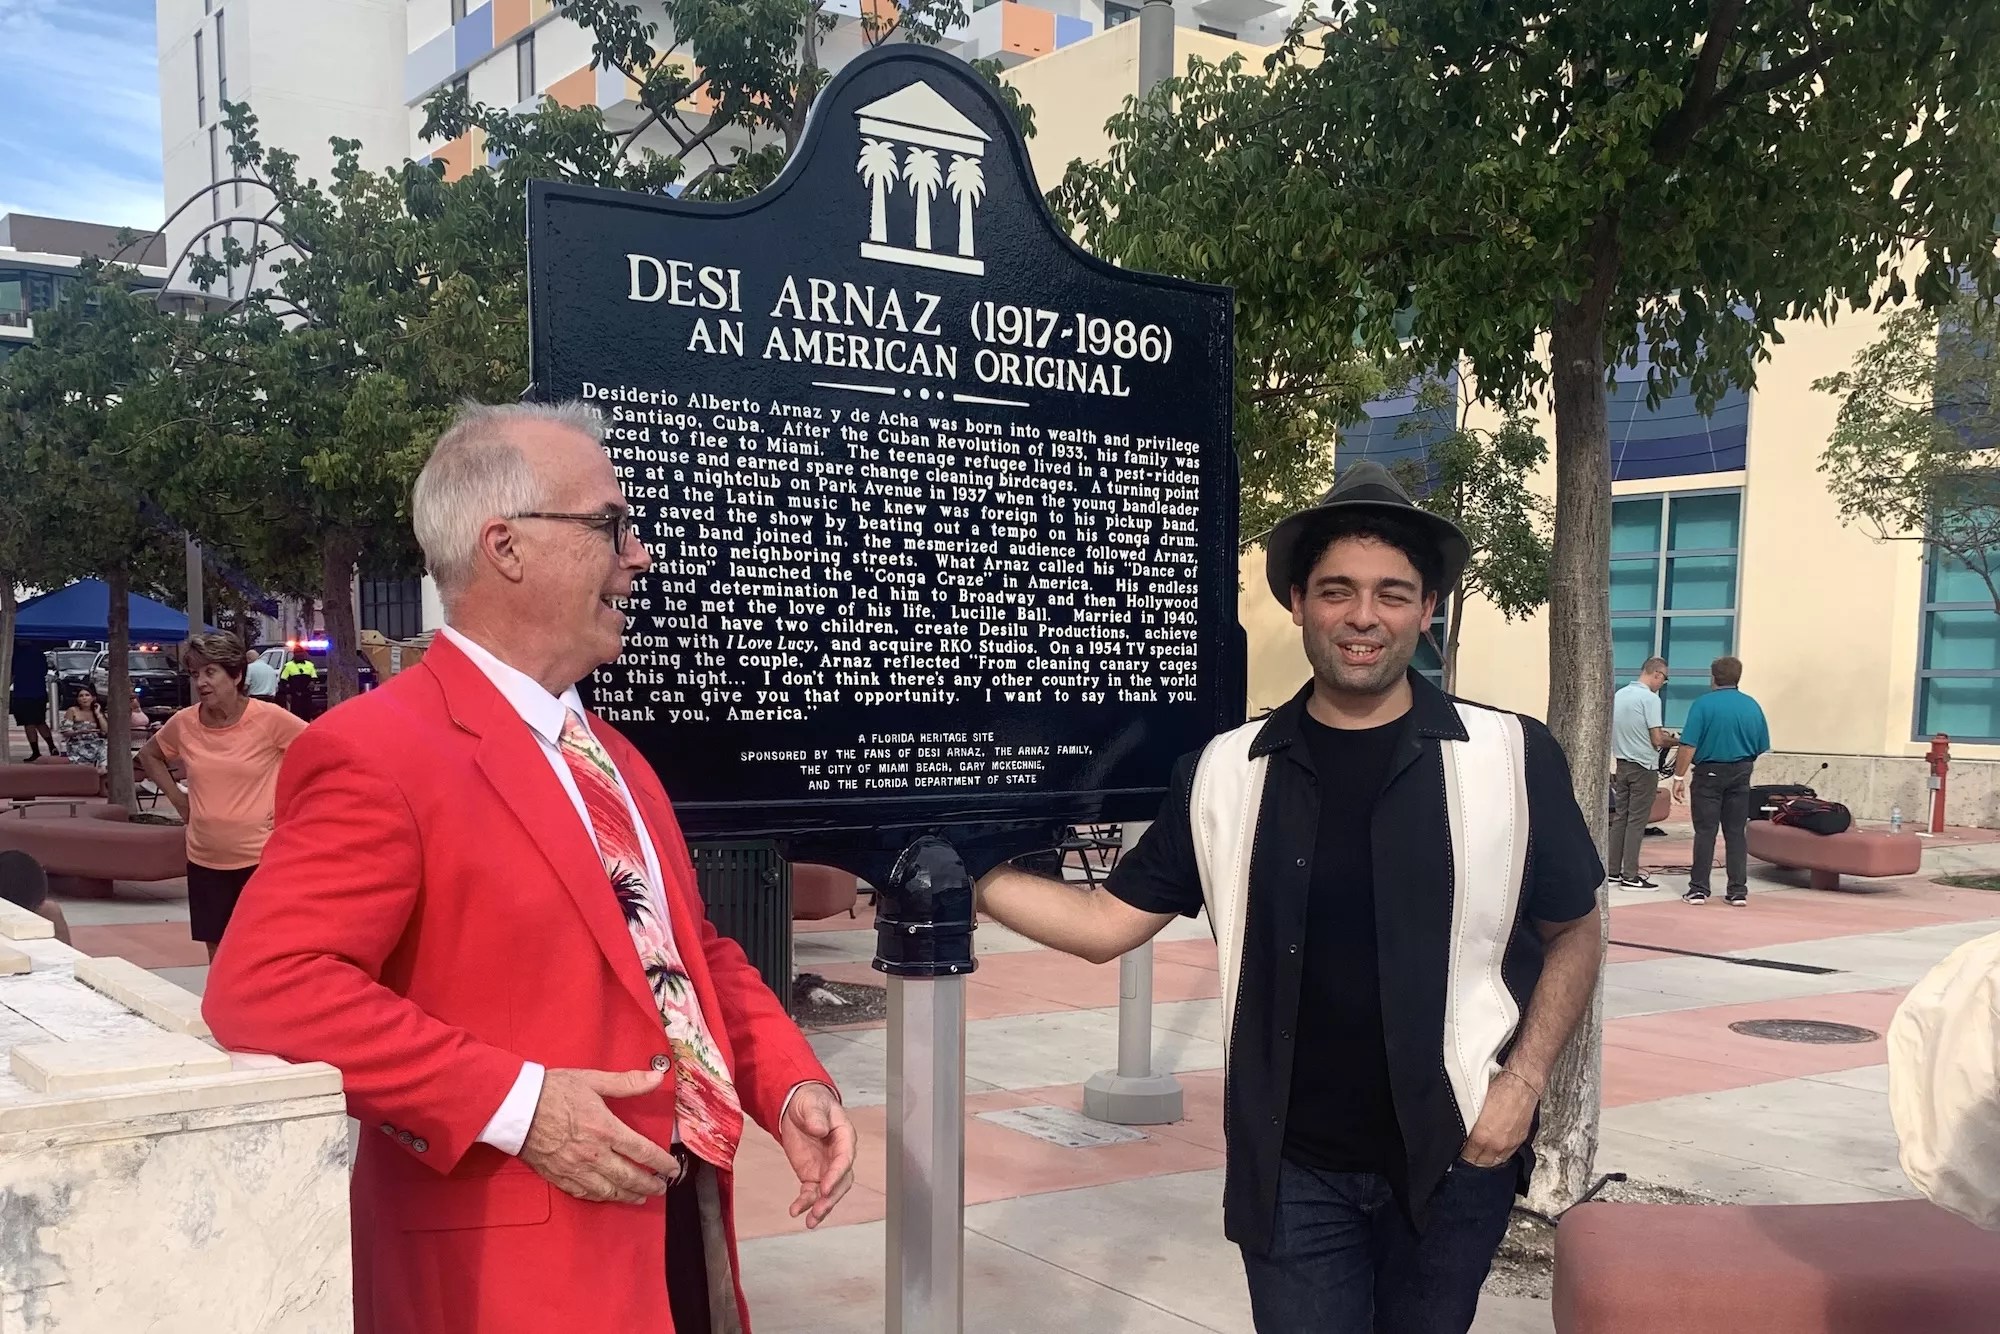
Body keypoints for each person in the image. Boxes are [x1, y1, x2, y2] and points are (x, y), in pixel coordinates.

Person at [201, 402, 854, 1334]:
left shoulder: (615, 758)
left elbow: (687, 955)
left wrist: (788, 1083)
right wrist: (519, 1102)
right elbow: (265, 988)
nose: (640, 555)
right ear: (504, 546)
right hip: (506, 1269)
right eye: (611, 526)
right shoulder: (375, 751)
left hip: (673, 1228)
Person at [974, 461, 1604, 1334]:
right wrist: (966, 870)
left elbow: (1574, 930)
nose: (1363, 616)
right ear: (1298, 603)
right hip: (1292, 1169)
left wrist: (1524, 1084)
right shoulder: (1225, 773)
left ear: (1427, 611)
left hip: (1457, 1151)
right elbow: (1103, 924)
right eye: (1337, 590)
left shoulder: (1509, 757)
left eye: (1392, 593)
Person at [138, 632, 307, 960]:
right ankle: (221, 1011)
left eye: (210, 672)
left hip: (260, 860)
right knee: (219, 953)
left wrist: (293, 808)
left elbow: (321, 754)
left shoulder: (269, 719)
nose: (201, 682)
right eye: (195, 674)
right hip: (204, 858)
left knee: (262, 952)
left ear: (237, 674)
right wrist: (178, 799)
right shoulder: (184, 723)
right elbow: (149, 756)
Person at [1672, 656, 1771, 906]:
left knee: (1706, 831)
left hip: (1709, 772)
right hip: (1741, 772)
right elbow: (1761, 745)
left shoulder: (1703, 705)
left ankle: (1699, 889)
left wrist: (1678, 776)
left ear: (1713, 677)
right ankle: (1738, 890)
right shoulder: (1752, 706)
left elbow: (1688, 744)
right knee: (1736, 832)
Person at [1608, 658, 1673, 890]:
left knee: (1620, 819)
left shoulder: (1620, 694)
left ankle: (1613, 871)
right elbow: (1657, 739)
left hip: (1622, 764)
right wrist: (1676, 742)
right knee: (1637, 821)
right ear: (1656, 674)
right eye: (1664, 679)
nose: (1662, 684)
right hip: (1644, 767)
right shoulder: (1650, 699)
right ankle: (1630, 875)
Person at [10, 641, 55, 761]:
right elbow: (44, 671)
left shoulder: (15, 652)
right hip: (39, 692)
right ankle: (52, 747)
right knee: (40, 721)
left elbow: (11, 673)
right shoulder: (39, 653)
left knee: (29, 723)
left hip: (23, 693)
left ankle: (36, 751)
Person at [59, 686, 110, 771]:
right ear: (78, 699)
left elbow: (106, 731)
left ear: (93, 698)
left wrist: (98, 714)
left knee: (106, 747)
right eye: (81, 696)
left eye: (87, 695)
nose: (84, 698)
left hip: (96, 743)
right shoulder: (72, 711)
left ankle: (101, 771)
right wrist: (80, 731)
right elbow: (65, 731)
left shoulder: (97, 712)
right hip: (77, 744)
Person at [277, 644, 319, 717]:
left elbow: (314, 677)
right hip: (295, 695)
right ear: (294, 654)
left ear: (304, 654)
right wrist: (287, 693)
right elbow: (283, 681)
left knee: (307, 714)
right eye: (297, 653)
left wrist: (312, 683)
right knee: (296, 715)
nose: (299, 655)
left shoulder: (310, 665)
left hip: (306, 695)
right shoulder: (288, 666)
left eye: (300, 652)